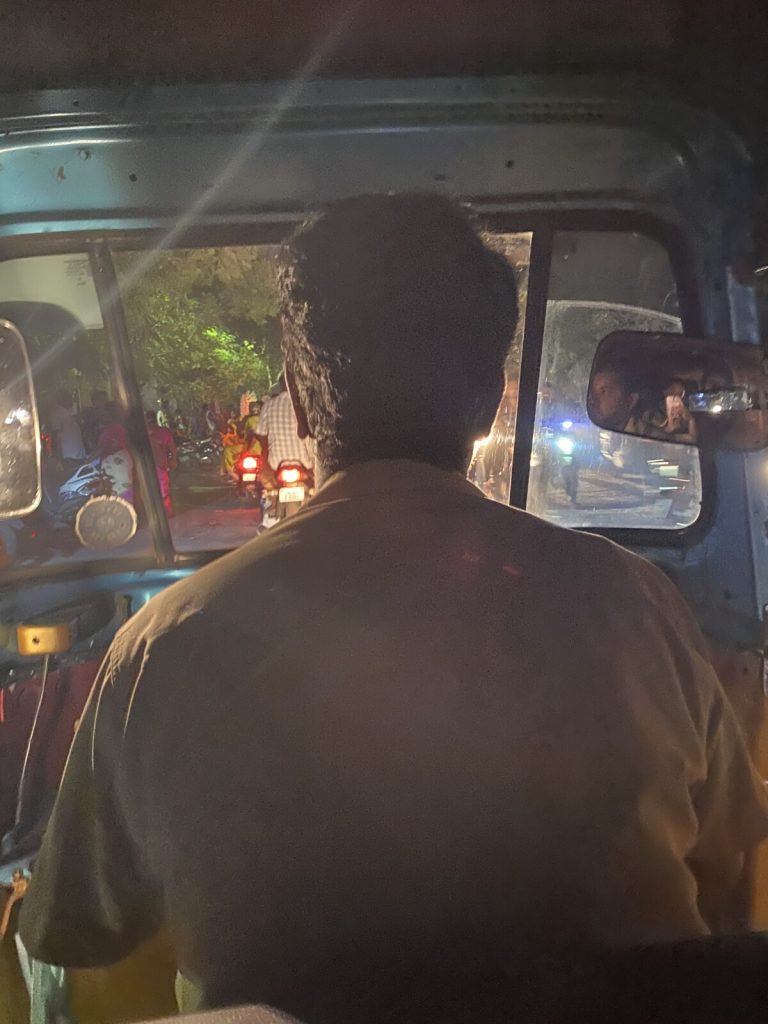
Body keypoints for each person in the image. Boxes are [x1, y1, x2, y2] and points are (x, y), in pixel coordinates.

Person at [19, 195, 768, 1022]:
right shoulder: (634, 603)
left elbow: (71, 932)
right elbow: (730, 863)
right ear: (489, 401)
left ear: (300, 399)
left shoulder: (162, 646)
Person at [258, 374, 314, 473]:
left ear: (280, 385)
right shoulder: (304, 404)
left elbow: (261, 435)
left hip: (275, 463)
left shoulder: (267, 405)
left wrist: (265, 455)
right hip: (305, 463)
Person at [145, 410, 177, 516]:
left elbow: (171, 447)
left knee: (162, 490)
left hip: (158, 465)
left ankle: (167, 511)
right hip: (155, 465)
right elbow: (172, 448)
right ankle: (165, 511)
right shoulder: (146, 433)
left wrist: (173, 459)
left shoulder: (161, 432)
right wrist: (173, 459)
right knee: (161, 490)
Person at [48, 389, 86, 467]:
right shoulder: (57, 413)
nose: (71, 400)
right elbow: (55, 435)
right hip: (68, 456)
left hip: (78, 454)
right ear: (62, 399)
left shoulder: (68, 412)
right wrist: (57, 457)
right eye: (69, 398)